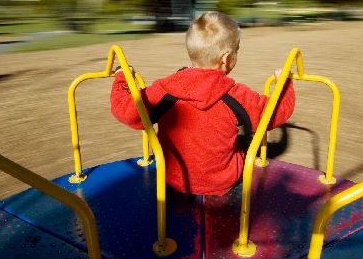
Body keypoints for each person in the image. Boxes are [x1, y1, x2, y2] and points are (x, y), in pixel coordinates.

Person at [111, 11, 295, 196]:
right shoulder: (236, 95)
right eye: (237, 50)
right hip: (223, 182)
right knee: (242, 144)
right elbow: (275, 113)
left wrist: (122, 78)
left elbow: (125, 111)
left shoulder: (164, 90)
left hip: (173, 179)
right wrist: (284, 84)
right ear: (226, 58)